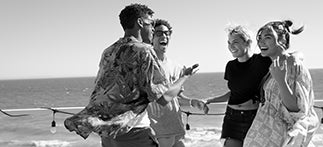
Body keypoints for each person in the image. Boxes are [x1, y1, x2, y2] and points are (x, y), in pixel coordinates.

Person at [63, 4, 198, 147]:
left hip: (108, 133)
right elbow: (164, 99)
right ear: (140, 22)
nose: (152, 28)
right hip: (133, 132)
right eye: (150, 24)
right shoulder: (144, 50)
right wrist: (184, 76)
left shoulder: (108, 51)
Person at [243, 20, 319, 147]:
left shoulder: (293, 66)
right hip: (264, 135)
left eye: (268, 37)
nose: (261, 42)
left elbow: (297, 110)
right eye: (260, 38)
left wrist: (281, 81)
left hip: (279, 138)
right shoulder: (273, 66)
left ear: (282, 40)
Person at [205, 25, 272, 147]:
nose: (231, 46)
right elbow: (234, 92)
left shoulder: (262, 61)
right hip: (232, 117)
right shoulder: (230, 66)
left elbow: (285, 56)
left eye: (235, 42)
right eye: (229, 43)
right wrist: (209, 101)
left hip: (254, 118)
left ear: (248, 42)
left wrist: (297, 56)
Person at [147, 19, 209, 147]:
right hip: (158, 133)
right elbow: (162, 99)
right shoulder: (146, 65)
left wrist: (192, 102)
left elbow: (175, 98)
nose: (164, 36)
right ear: (151, 37)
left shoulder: (176, 66)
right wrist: (185, 77)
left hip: (177, 129)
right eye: (159, 33)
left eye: (167, 33)